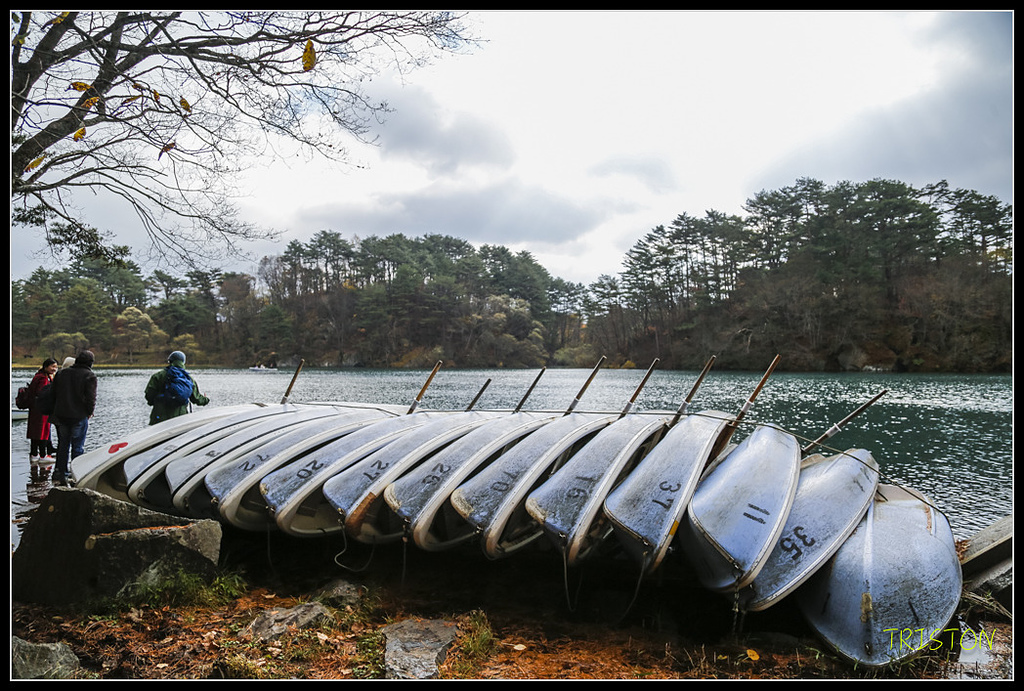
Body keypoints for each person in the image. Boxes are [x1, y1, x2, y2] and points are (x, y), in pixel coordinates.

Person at [50, 350, 98, 487]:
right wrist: (89, 412)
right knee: (78, 447)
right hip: (79, 415)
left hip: (62, 415)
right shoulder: (89, 376)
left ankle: (61, 473)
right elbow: (91, 398)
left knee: (63, 445)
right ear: (90, 363)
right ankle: (77, 474)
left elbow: (53, 393)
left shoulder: (61, 373)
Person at [145, 350, 210, 425]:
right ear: (183, 362)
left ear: (170, 361)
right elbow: (196, 399)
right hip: (180, 419)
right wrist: (206, 400)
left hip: (159, 418)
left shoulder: (158, 376)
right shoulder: (188, 379)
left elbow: (149, 396)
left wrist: (154, 402)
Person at [26, 358, 59, 480]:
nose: (54, 369)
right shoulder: (43, 378)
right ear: (46, 366)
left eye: (56, 367)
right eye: (52, 366)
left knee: (35, 431)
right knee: (43, 431)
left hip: (35, 408)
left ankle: (34, 454)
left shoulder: (38, 376)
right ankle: (43, 455)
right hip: (42, 409)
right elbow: (43, 393)